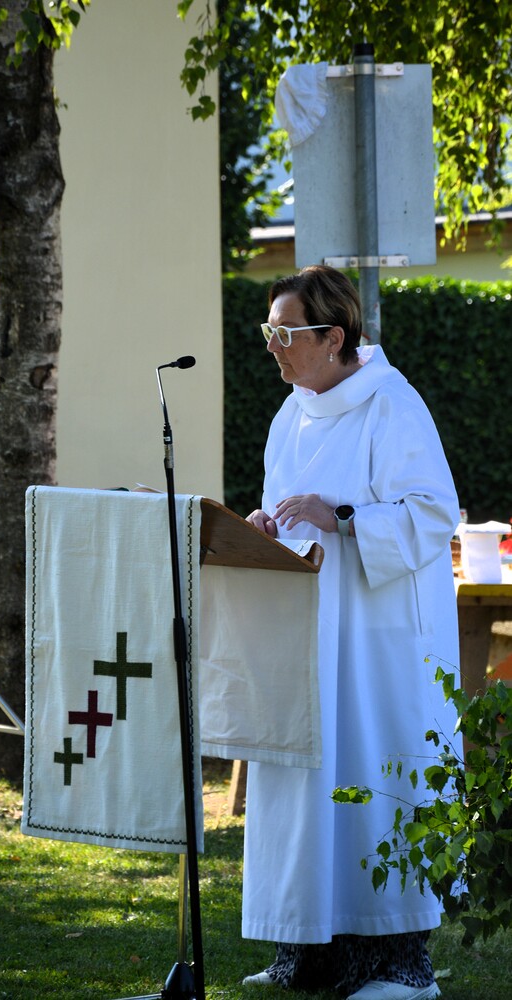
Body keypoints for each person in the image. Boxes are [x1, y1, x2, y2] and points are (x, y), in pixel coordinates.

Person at [242, 265, 461, 1000]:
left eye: (285, 332)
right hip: (306, 633)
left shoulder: (392, 404)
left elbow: (434, 513)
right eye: (269, 330)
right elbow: (289, 513)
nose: (272, 345)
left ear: (333, 337)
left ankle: (402, 967)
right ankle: (306, 954)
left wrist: (340, 517)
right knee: (308, 785)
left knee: (371, 777)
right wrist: (266, 527)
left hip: (376, 642)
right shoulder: (289, 415)